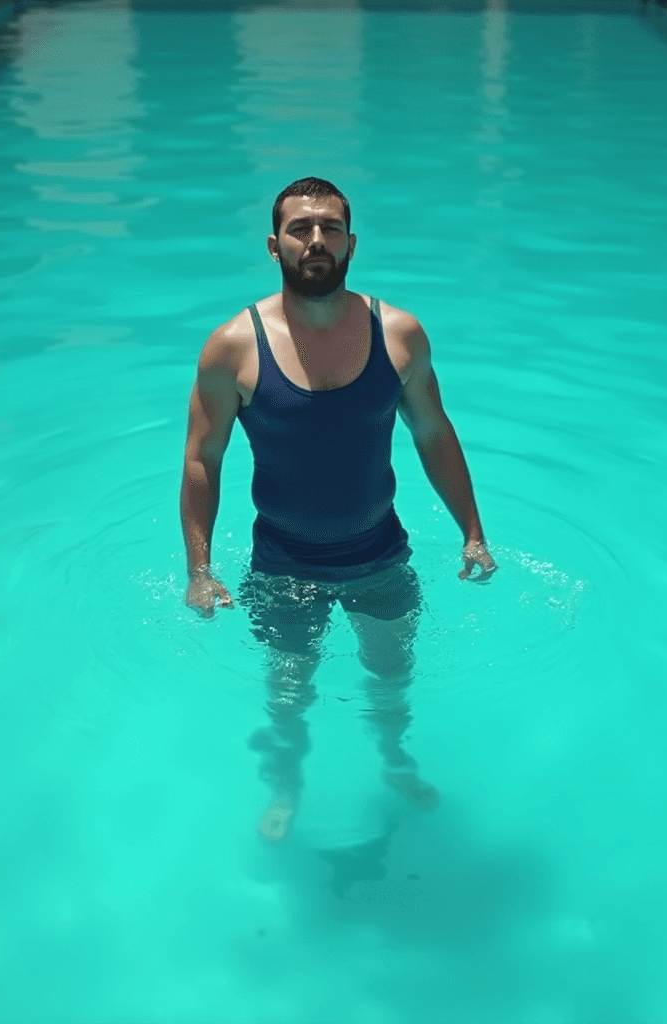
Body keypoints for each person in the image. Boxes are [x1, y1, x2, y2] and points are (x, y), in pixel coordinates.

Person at [180, 177, 496, 842]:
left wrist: (473, 533)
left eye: (329, 227)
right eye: (300, 228)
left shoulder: (400, 335)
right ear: (275, 245)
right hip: (283, 563)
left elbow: (434, 433)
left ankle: (394, 762)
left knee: (390, 681)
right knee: (289, 696)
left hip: (379, 554)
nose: (316, 240)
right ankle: (286, 784)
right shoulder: (233, 347)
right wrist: (200, 569)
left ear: (352, 242)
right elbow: (203, 459)